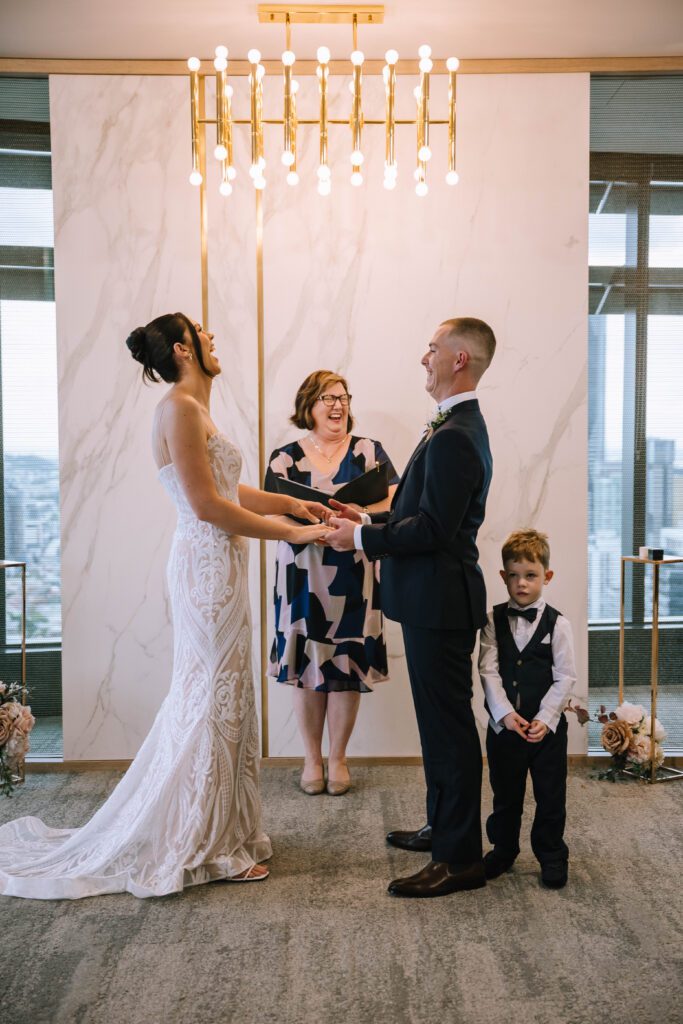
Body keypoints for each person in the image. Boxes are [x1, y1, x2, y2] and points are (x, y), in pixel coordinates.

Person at [0, 313, 328, 899]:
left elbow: (229, 490)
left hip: (220, 565)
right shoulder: (178, 408)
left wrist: (293, 505)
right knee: (211, 696)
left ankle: (222, 828)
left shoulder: (195, 410)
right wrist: (289, 535)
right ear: (183, 349)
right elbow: (205, 506)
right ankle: (204, 843)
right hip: (204, 568)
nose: (213, 338)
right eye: (203, 333)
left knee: (221, 692)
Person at [326, 317, 495, 898]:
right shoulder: (454, 427)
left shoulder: (455, 434)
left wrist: (362, 542)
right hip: (432, 601)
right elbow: (418, 511)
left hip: (441, 603)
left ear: (459, 361)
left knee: (449, 731)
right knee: (437, 725)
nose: (422, 357)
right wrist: (367, 520)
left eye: (431, 348)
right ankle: (443, 827)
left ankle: (460, 859)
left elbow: (432, 530)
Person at [265, 370, 399, 796]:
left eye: (342, 397)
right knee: (307, 666)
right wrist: (308, 520)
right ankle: (311, 758)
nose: (337, 405)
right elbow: (269, 513)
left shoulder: (368, 451)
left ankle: (338, 757)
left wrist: (358, 511)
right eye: (327, 397)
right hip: (302, 572)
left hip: (354, 570)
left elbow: (397, 499)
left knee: (345, 663)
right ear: (309, 405)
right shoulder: (285, 457)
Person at [478, 528, 576, 889]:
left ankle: (551, 854)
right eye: (514, 576)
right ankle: (503, 850)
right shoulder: (492, 620)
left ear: (546, 577)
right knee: (505, 794)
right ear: (503, 576)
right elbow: (487, 670)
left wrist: (545, 719)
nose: (522, 584)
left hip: (546, 732)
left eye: (531, 576)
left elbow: (565, 677)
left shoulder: (558, 623)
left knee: (551, 795)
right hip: (506, 729)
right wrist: (504, 714)